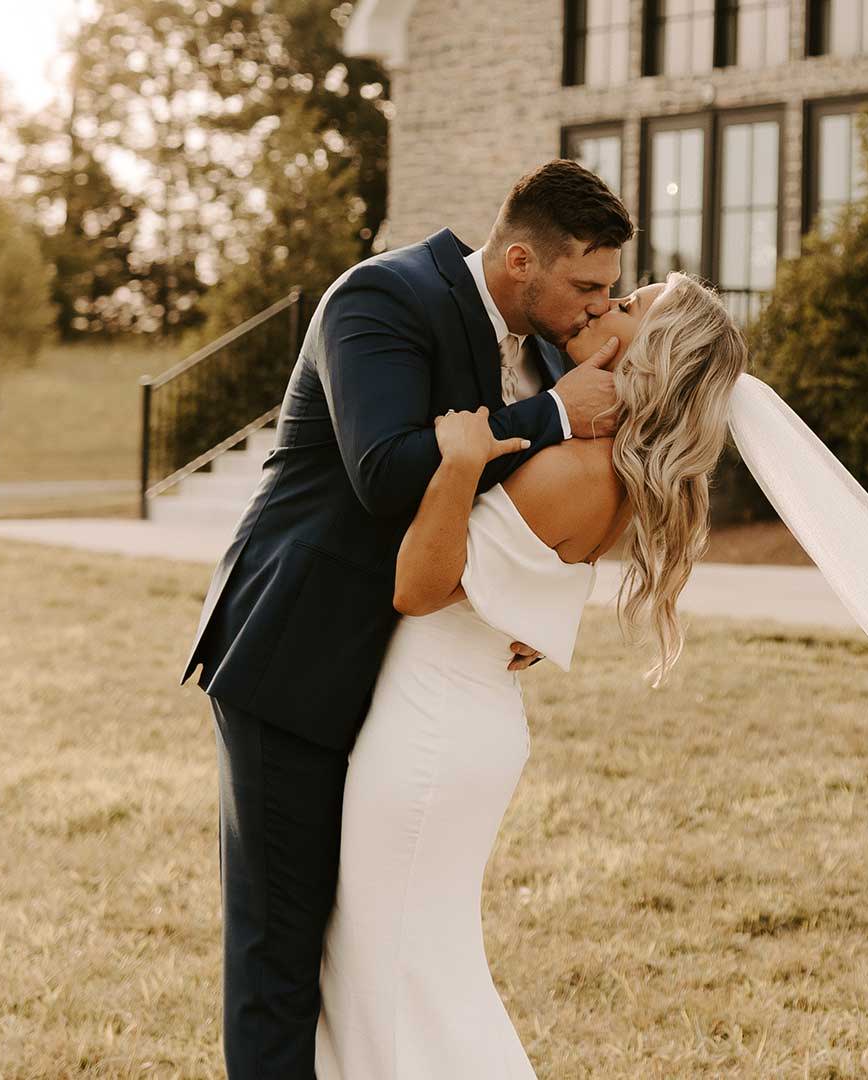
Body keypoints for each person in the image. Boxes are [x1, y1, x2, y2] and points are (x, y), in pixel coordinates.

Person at [180, 159, 634, 1077]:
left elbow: (509, 505)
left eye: (612, 292)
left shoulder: (545, 344)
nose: (596, 308)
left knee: (356, 934)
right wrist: (549, 412)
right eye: (587, 286)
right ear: (520, 262)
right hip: (295, 657)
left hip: (401, 681)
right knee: (280, 945)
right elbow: (385, 471)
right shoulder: (380, 298)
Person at [313, 270, 746, 1077]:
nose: (603, 306)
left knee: (401, 977)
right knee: (410, 972)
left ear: (649, 357)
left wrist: (458, 463)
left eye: (626, 307)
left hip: (431, 725)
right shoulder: (604, 466)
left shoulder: (579, 470)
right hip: (458, 714)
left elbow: (418, 587)